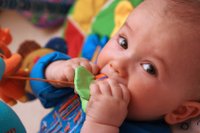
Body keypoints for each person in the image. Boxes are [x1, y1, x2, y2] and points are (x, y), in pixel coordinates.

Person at [30, 0, 200, 132]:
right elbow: (35, 84)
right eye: (123, 42)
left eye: (149, 68)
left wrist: (102, 124)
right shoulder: (91, 69)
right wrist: (55, 71)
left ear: (181, 111)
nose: (118, 63)